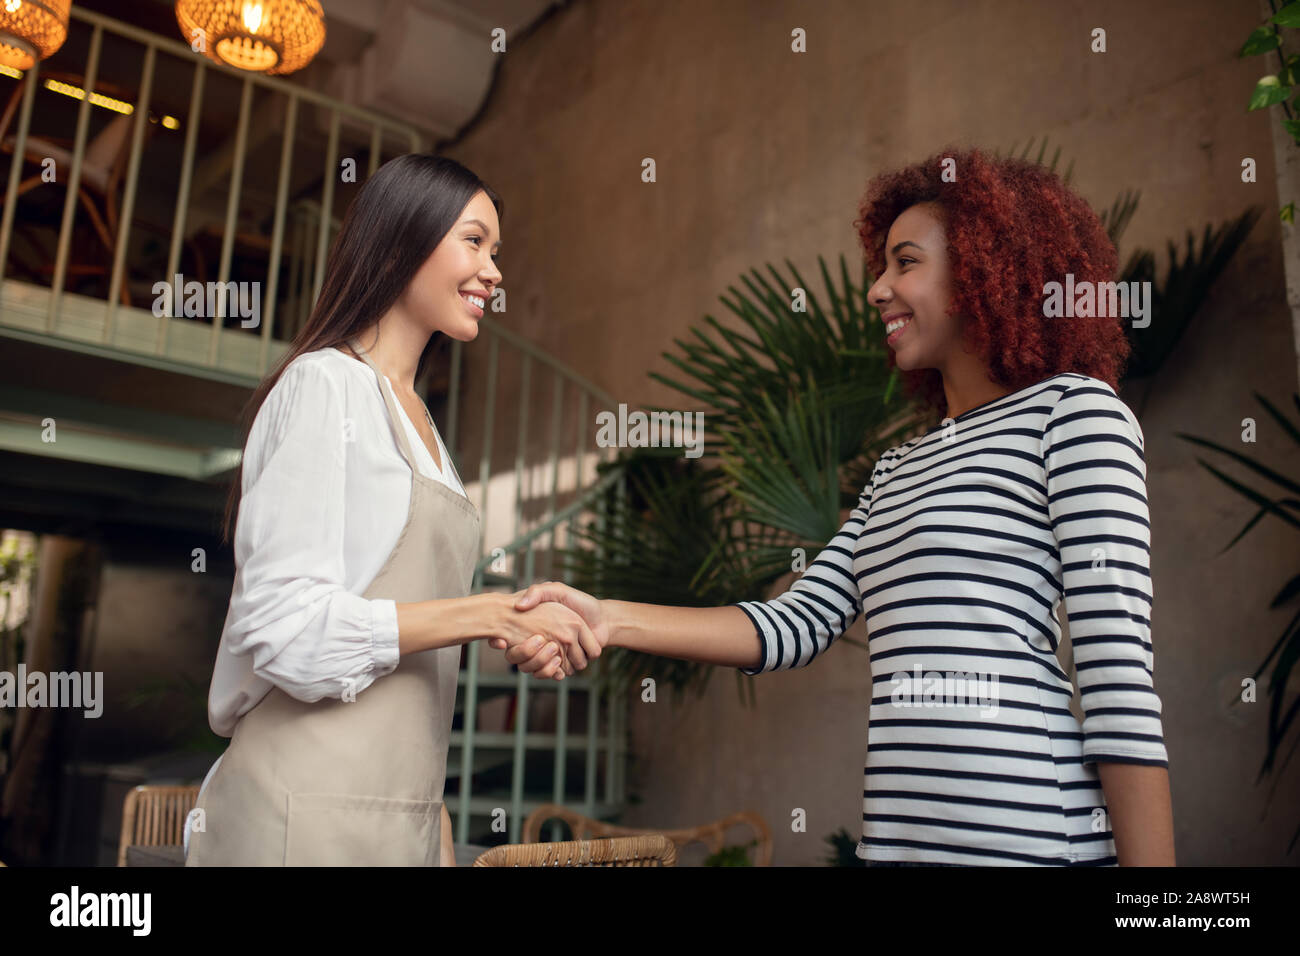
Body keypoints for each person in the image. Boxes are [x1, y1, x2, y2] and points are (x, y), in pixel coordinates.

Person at [497, 146, 1176, 867]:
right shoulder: (898, 467)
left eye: (905, 263)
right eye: (879, 267)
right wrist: (610, 617)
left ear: (982, 268)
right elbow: (795, 623)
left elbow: (1117, 677)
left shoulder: (1074, 416)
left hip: (1034, 839)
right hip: (899, 844)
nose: (878, 290)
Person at [185, 155, 598, 866]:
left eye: (496, 251)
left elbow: (409, 663)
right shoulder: (324, 387)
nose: (494, 272)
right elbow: (284, 629)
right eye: (474, 241)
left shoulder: (428, 431)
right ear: (402, 239)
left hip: (398, 817)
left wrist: (425, 808)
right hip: (299, 815)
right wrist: (488, 614)